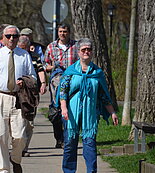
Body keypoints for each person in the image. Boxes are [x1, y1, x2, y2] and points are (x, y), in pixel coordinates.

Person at [0, 25, 36, 173]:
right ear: (3, 38)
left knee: (20, 136)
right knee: (1, 135)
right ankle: (3, 168)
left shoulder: (24, 55)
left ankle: (15, 158)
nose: (12, 39)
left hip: (19, 98)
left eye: (15, 36)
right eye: (8, 36)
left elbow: (33, 77)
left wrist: (24, 81)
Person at [58, 38, 119, 173]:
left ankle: (91, 171)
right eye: (83, 50)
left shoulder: (97, 73)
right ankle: (69, 170)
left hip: (90, 113)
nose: (86, 52)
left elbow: (103, 96)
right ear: (78, 52)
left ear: (92, 52)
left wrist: (112, 112)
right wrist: (64, 108)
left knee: (90, 144)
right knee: (69, 144)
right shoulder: (70, 71)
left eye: (89, 49)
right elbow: (63, 91)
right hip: (71, 113)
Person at [44, 23, 78, 149]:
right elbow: (44, 64)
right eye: (60, 31)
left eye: (65, 31)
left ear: (69, 33)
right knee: (57, 110)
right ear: (57, 33)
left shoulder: (76, 46)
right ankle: (59, 139)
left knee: (71, 109)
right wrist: (53, 67)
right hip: (56, 83)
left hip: (73, 82)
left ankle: (70, 137)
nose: (62, 34)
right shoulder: (51, 47)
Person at [17, 36, 47, 157]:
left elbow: (40, 70)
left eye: (25, 48)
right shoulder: (14, 55)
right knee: (18, 120)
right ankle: (17, 145)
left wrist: (43, 83)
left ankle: (24, 148)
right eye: (21, 48)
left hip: (30, 93)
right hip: (17, 92)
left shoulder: (34, 56)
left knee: (29, 122)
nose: (24, 51)